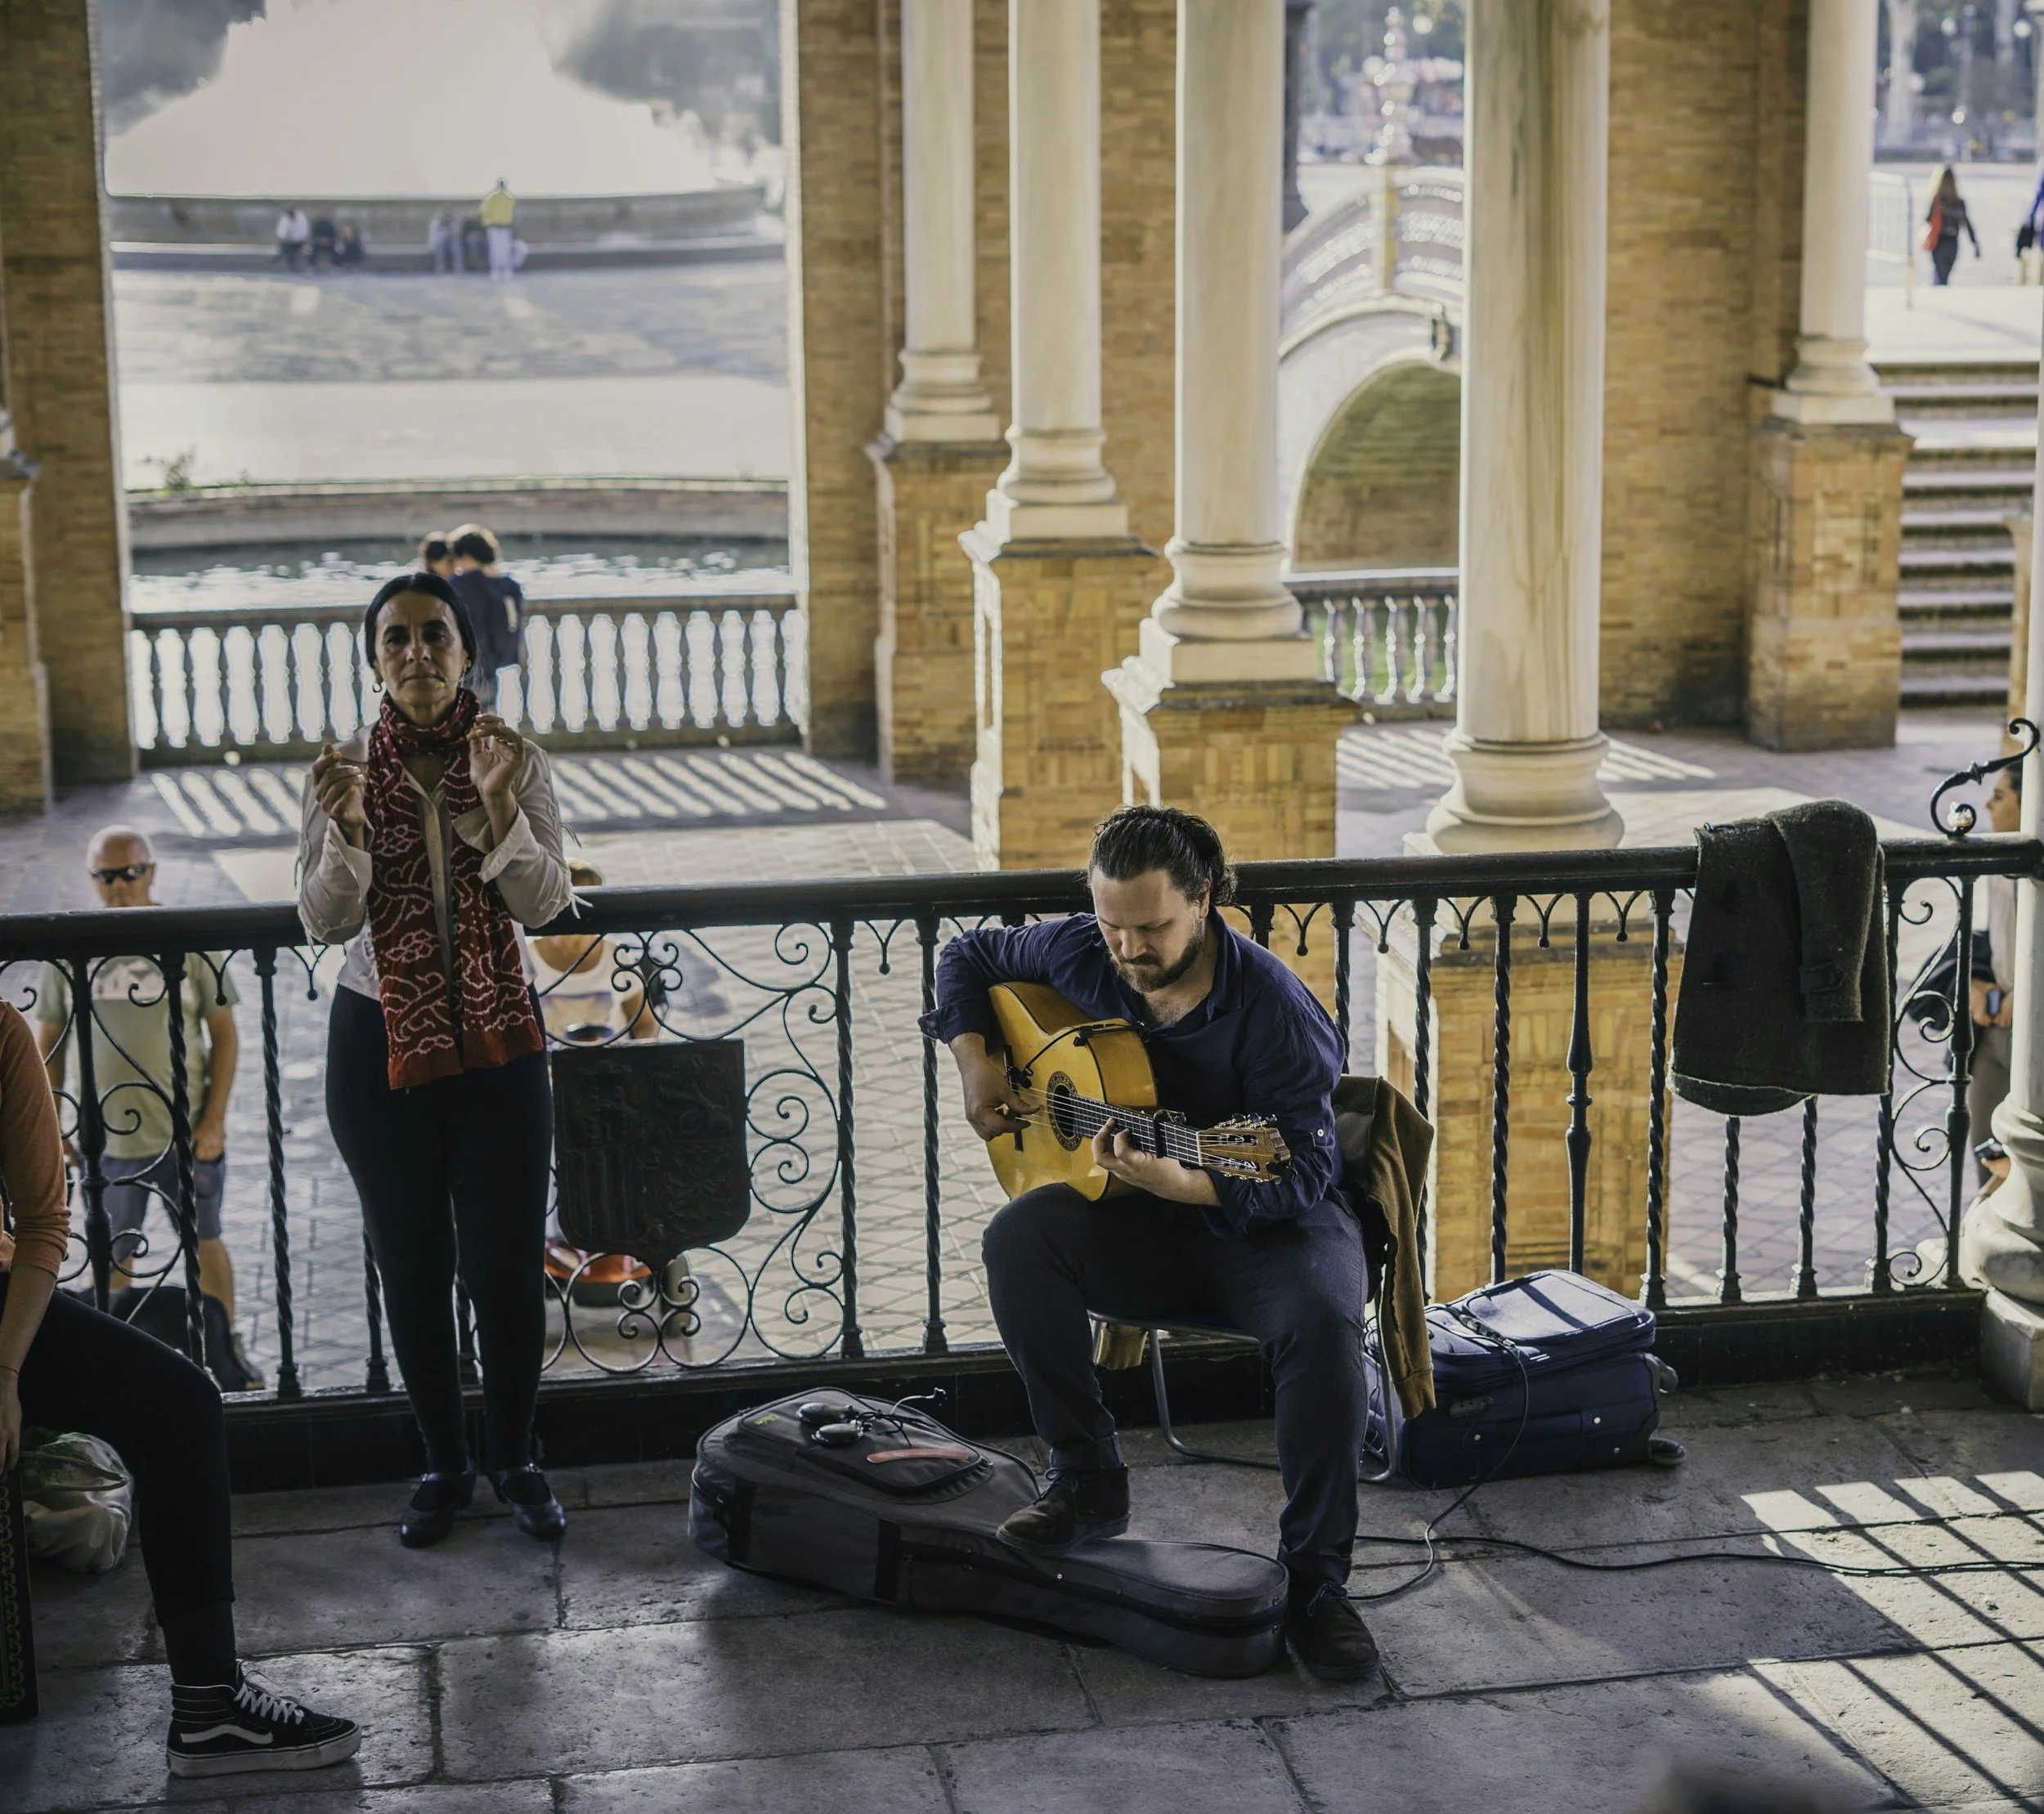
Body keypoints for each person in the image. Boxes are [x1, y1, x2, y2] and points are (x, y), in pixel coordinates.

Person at [921, 804, 1379, 1683]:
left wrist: (1192, 1181)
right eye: (1111, 923)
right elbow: (967, 954)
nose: (1127, 948)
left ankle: (1318, 1586)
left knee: (1324, 1323)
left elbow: (1301, 1171)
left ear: (1203, 900)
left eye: (1152, 926)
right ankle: (1087, 1477)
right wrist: (975, 1060)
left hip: (1270, 1223)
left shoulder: (1273, 1006)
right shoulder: (1081, 952)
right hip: (1141, 1216)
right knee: (1020, 1238)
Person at [0, 1000, 361, 1775]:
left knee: (181, 1399)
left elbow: (40, 1226)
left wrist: (5, 1373)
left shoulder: (0, 1031)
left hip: (1, 1303)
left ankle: (208, 1703)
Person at [299, 572, 573, 1549]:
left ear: (466, 651)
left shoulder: (514, 755)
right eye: (396, 639)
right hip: (378, 1038)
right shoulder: (338, 773)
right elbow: (326, 919)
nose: (416, 653)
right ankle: (443, 1462)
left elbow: (545, 908)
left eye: (434, 636)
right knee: (410, 1261)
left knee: (503, 1265)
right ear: (375, 660)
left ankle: (516, 1459)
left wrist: (499, 808)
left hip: (499, 1037)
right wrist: (349, 830)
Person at [32, 826, 262, 1393]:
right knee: (114, 1252)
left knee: (204, 1239)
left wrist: (213, 1121)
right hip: (105, 1143)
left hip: (185, 1136)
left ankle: (223, 1345)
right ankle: (121, 1361)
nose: (119, 886)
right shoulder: (73, 948)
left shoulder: (184, 938)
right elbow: (50, 1043)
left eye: (130, 873)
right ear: (93, 880)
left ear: (151, 872)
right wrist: (55, 1126)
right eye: (106, 876)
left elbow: (224, 1034)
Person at [533, 858, 661, 1306]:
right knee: (549, 1138)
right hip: (549, 1078)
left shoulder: (614, 956)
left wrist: (636, 1062)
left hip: (608, 1078)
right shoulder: (529, 958)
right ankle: (560, 1238)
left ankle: (622, 1233)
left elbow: (644, 1024)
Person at [1968, 763, 2021, 1180]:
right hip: (1998, 1028)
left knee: (2023, 1159)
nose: (1987, 804)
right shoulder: (1999, 860)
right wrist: (1975, 979)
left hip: (2033, 1031)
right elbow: (1997, 935)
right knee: (1986, 1150)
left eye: (2000, 796)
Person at [446, 524, 525, 714]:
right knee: (487, 718)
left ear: (464, 556)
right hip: (491, 663)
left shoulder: (459, 584)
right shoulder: (508, 585)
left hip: (462, 663)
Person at [1925, 166, 1981, 286]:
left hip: (1938, 243)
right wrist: (1975, 244)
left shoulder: (1937, 201)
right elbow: (1967, 224)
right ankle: (1939, 294)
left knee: (1940, 275)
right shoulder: (1959, 203)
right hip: (1952, 244)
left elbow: (1928, 220)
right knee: (1944, 277)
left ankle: (1937, 295)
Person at [480, 179, 517, 284]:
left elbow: (485, 212)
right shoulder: (509, 198)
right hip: (506, 226)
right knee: (505, 249)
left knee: (495, 249)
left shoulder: (490, 198)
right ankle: (506, 270)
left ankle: (496, 271)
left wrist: (486, 224)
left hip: (494, 226)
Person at [275, 205, 309, 270]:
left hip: (298, 242)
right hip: (286, 241)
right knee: (287, 248)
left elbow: (303, 233)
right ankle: (285, 258)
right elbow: (280, 231)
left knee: (291, 250)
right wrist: (285, 238)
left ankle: (281, 257)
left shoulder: (301, 219)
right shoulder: (284, 219)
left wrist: (293, 239)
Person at [428, 208, 457, 275]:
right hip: (437, 243)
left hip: (448, 243)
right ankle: (440, 267)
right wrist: (445, 235)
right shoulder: (436, 223)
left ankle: (457, 267)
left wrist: (448, 235)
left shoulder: (450, 223)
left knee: (456, 246)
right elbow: (436, 236)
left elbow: (454, 233)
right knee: (440, 248)